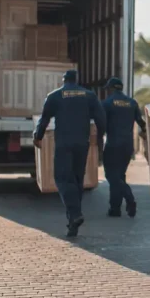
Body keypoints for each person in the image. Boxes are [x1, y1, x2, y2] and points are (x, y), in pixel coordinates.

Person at [34, 69, 107, 238]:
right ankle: (73, 223)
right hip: (82, 144)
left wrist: (38, 137)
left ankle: (75, 215)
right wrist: (100, 139)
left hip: (64, 144)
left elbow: (44, 119)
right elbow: (101, 119)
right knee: (76, 180)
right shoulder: (89, 95)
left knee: (62, 179)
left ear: (63, 80)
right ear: (77, 79)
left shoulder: (54, 96)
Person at [101, 77, 146, 218]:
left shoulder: (107, 103)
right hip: (127, 146)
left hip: (113, 144)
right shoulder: (132, 103)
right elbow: (142, 123)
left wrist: (96, 142)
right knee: (119, 176)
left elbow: (101, 125)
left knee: (111, 175)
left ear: (111, 89)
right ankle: (115, 209)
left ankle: (130, 199)